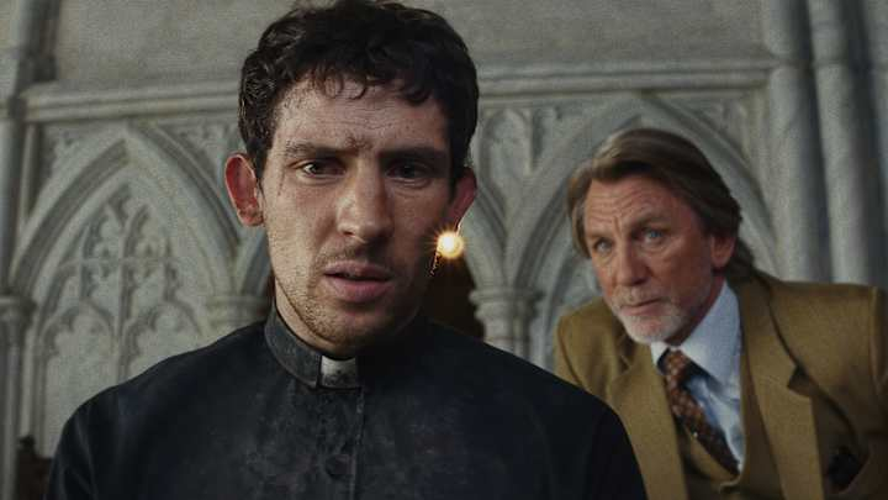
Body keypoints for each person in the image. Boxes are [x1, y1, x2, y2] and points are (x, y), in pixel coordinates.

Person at [44, 2, 646, 499]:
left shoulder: (570, 444)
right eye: (318, 166)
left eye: (408, 169)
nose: (365, 221)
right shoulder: (114, 444)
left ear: (455, 202)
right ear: (250, 193)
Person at [554, 127, 888, 500]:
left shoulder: (857, 331)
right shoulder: (584, 347)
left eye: (652, 236)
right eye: (603, 245)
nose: (626, 274)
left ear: (720, 240)